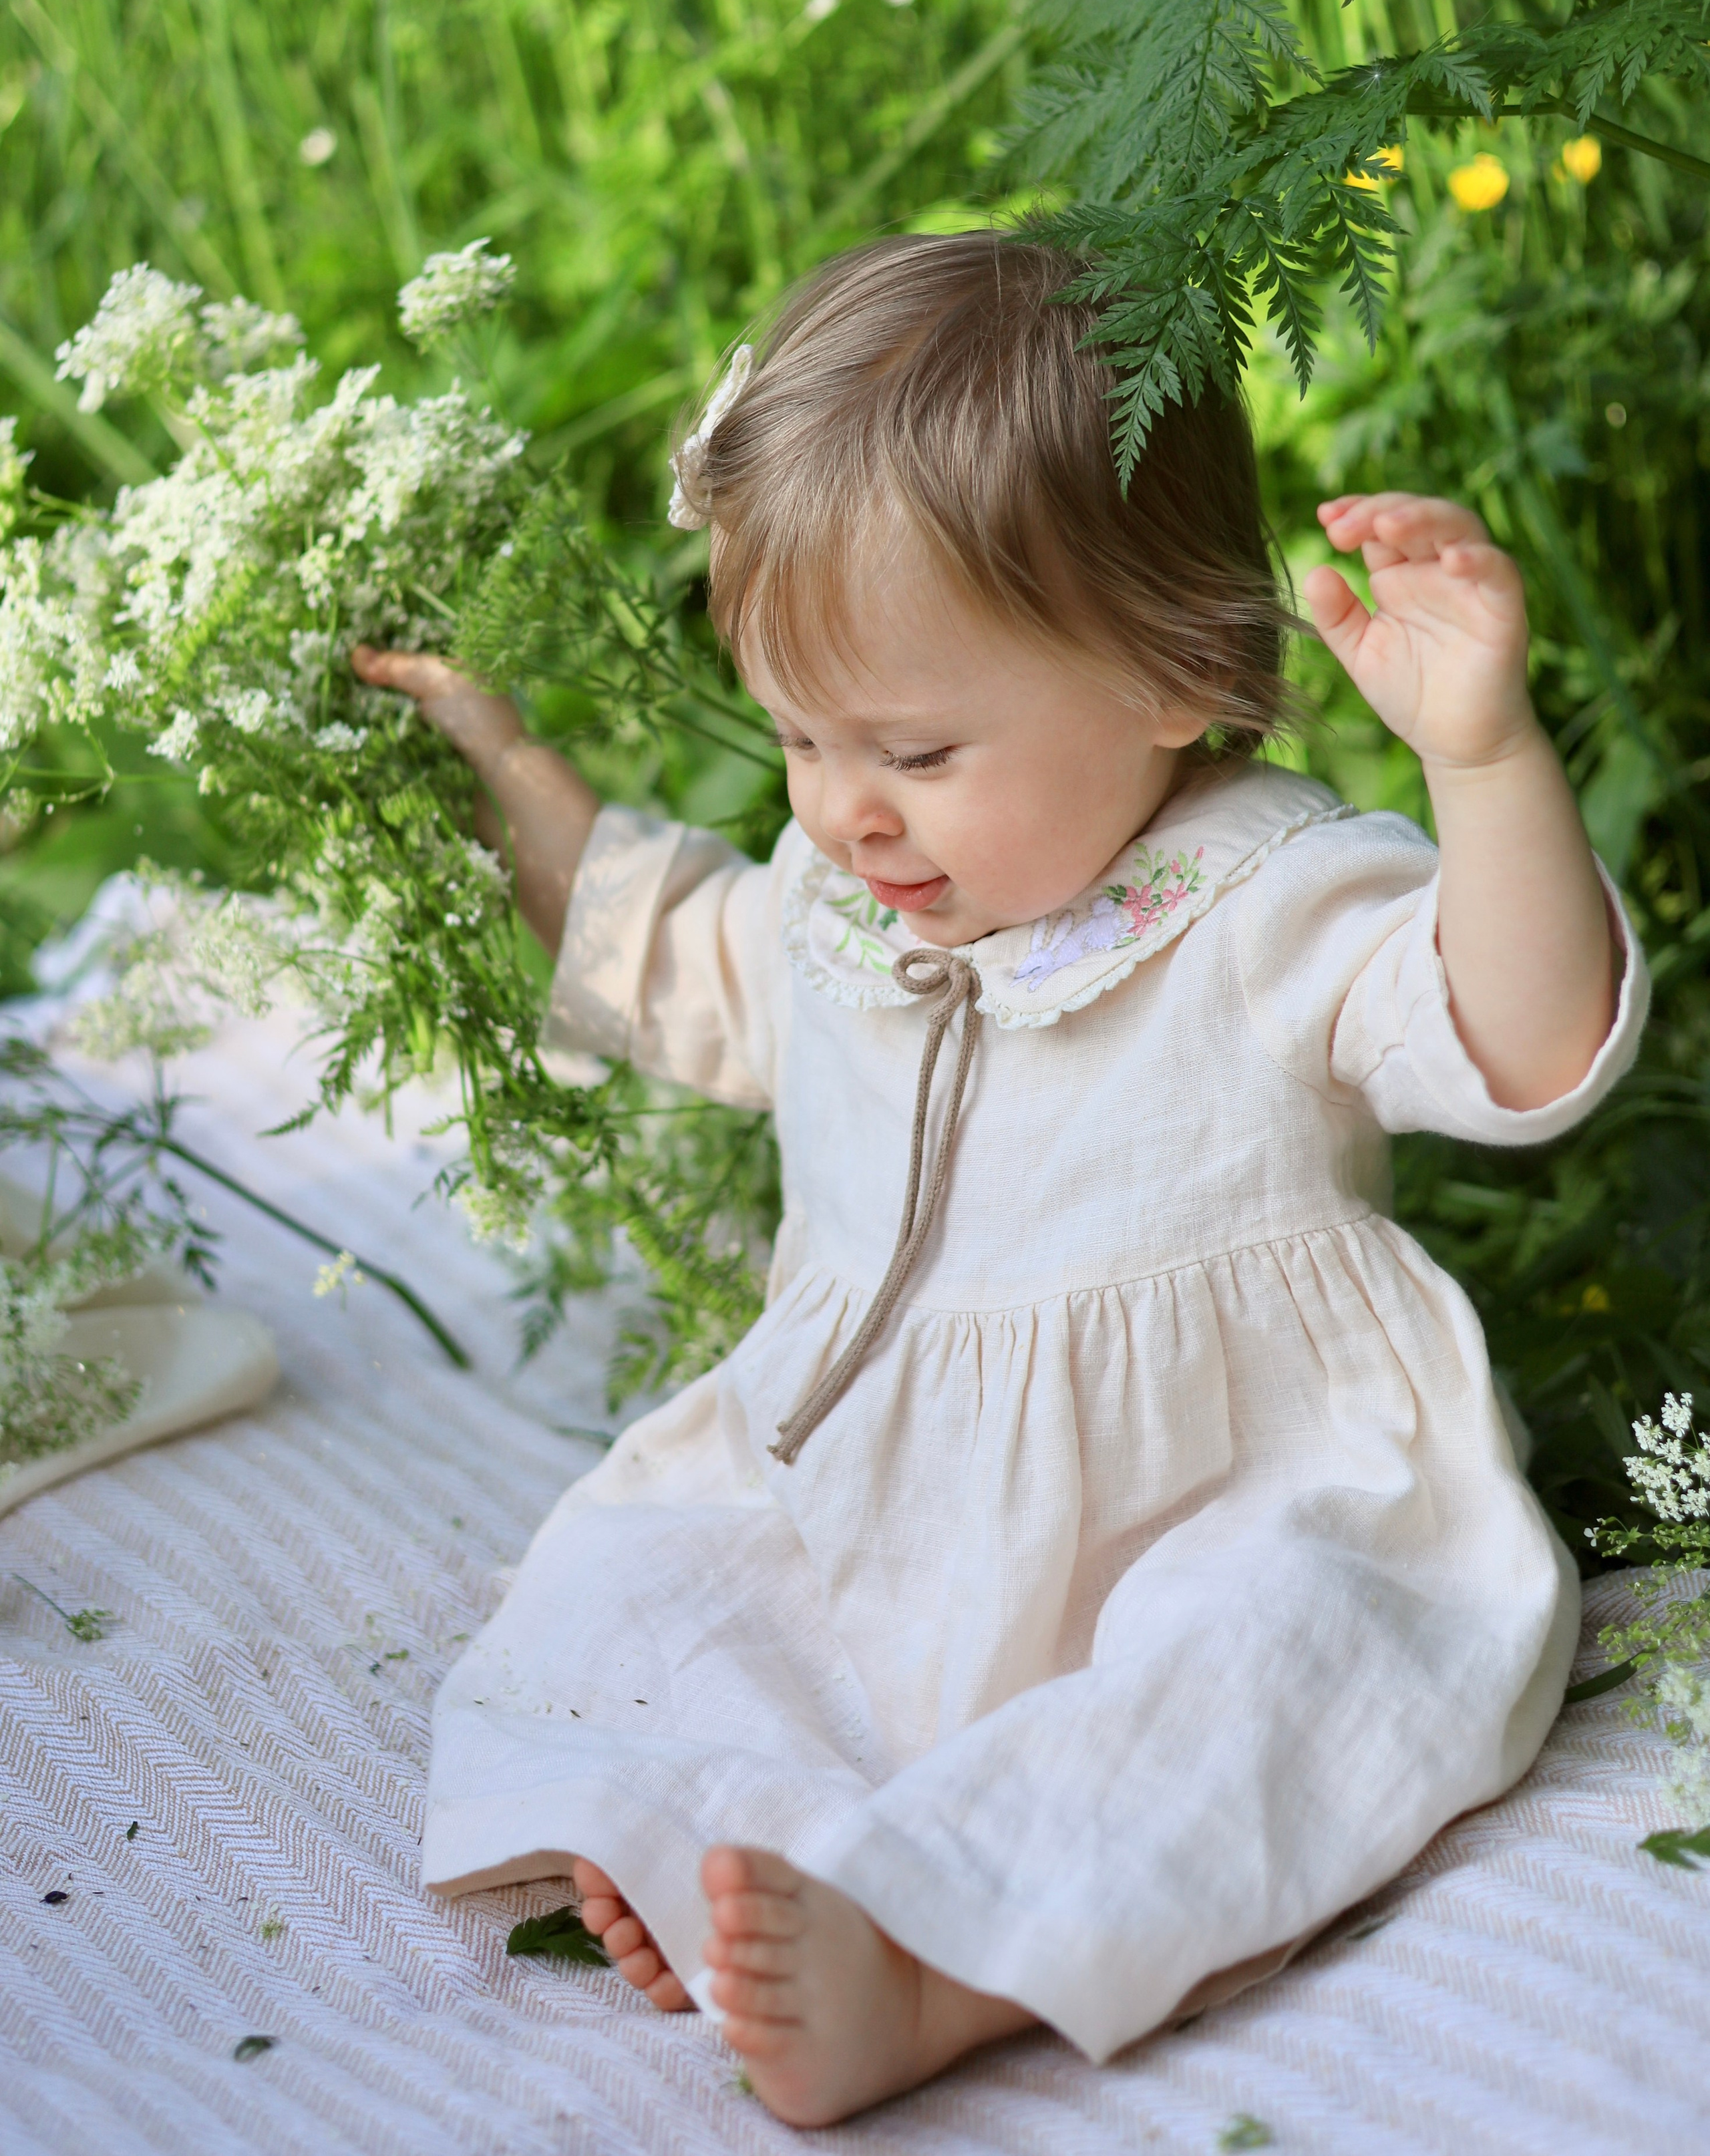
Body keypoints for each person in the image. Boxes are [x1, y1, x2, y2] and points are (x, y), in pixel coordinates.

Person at [353, 233, 1645, 2128]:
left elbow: (1524, 1044)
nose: (840, 808)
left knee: (1282, 1672)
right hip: (878, 1502)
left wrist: (1487, 758)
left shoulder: (1271, 901)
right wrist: (507, 766)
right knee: (658, 1582)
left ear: (1171, 676)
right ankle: (697, 1835)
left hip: (1221, 1498)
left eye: (916, 748)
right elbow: (677, 955)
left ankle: (934, 1968)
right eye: (797, 736)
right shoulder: (845, 900)